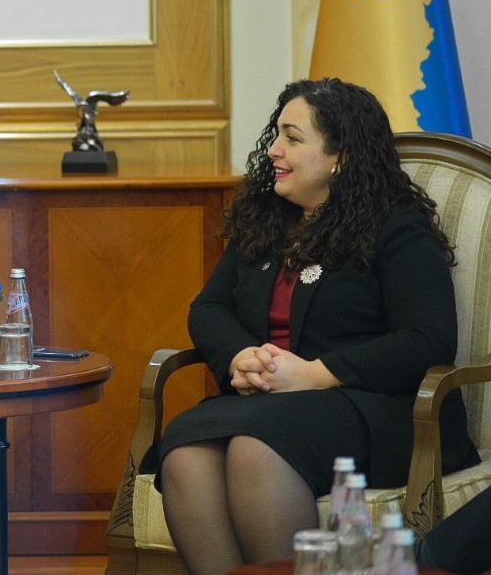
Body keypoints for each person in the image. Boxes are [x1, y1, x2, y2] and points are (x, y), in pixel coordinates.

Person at [146, 78, 480, 575]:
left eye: (293, 138)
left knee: (255, 450)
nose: (274, 150)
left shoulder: (396, 227)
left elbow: (427, 340)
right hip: (269, 405)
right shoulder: (267, 219)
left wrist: (315, 373)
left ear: (341, 157)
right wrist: (241, 355)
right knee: (186, 452)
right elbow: (209, 307)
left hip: (375, 407)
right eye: (277, 134)